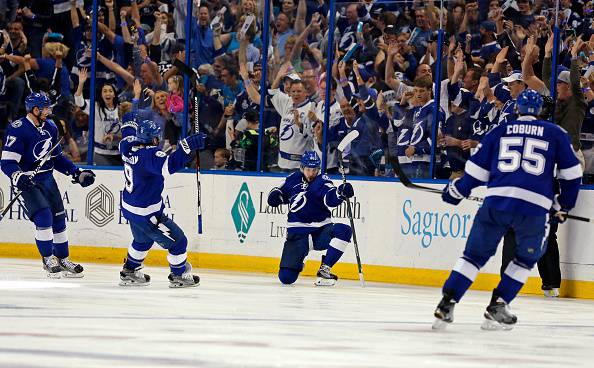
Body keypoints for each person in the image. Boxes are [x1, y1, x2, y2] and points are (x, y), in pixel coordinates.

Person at [434, 89, 582, 330]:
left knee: (472, 257)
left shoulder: (500, 131)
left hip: (496, 204)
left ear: (517, 109)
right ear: (543, 112)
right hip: (533, 210)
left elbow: (476, 172)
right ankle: (499, 304)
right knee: (525, 260)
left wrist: (457, 191)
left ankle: (447, 302)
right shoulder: (556, 133)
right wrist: (563, 206)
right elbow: (572, 175)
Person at [0, 92, 95, 277]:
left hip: (47, 179)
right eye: (45, 108)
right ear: (35, 110)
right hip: (28, 181)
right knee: (44, 218)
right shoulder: (18, 128)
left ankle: (63, 259)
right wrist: (18, 176)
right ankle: (48, 259)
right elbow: (7, 163)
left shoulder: (50, 127)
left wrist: (76, 172)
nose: (49, 111)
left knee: (59, 219)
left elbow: (57, 157)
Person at [118, 119, 206, 288]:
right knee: (179, 242)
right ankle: (178, 274)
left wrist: (130, 124)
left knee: (142, 240)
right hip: (147, 214)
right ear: (155, 139)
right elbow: (169, 166)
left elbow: (127, 134)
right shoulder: (150, 155)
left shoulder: (126, 147)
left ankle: (130, 270)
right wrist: (186, 148)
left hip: (130, 208)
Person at [266, 151, 354, 286]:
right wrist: (275, 196)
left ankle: (325, 269)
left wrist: (340, 193)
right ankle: (298, 260)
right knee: (286, 278)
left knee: (344, 230)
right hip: (297, 234)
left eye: (314, 170)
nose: (311, 173)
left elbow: (330, 198)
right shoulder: (292, 179)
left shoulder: (322, 180)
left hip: (320, 232)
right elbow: (276, 192)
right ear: (302, 168)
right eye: (308, 169)